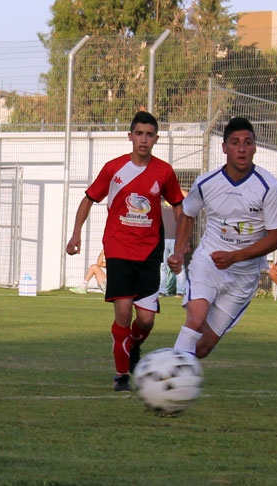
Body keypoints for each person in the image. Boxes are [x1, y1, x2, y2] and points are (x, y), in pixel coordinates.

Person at [65, 111, 184, 392]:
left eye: (150, 134)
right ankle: (121, 376)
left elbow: (179, 205)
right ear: (130, 136)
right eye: (139, 134)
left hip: (150, 251)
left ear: (156, 138)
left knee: (145, 320)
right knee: (123, 312)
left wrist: (181, 242)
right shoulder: (113, 169)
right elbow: (89, 198)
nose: (144, 139)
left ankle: (134, 345)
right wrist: (75, 233)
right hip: (118, 249)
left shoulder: (164, 172)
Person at [169, 117, 277, 357]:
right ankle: (168, 375)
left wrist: (235, 256)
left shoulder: (269, 187)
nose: (242, 148)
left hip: (244, 276)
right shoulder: (206, 183)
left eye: (248, 142)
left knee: (201, 349)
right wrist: (179, 251)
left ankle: (175, 369)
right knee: (196, 318)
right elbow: (187, 214)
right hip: (208, 262)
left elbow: (276, 237)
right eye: (235, 142)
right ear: (224, 147)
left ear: (255, 147)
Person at [158, 196, 188, 297]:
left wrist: (175, 190)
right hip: (162, 238)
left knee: (179, 265)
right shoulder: (159, 199)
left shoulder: (178, 200)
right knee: (162, 266)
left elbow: (187, 195)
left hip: (177, 238)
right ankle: (162, 291)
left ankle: (181, 291)